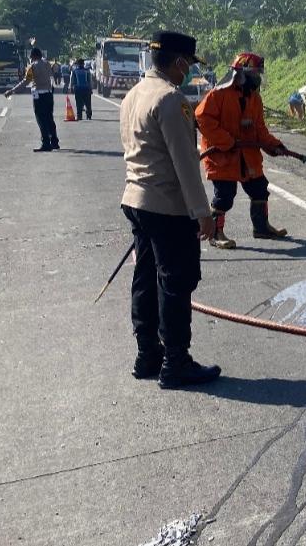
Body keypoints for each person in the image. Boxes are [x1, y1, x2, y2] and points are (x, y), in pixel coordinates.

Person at [120, 31, 220, 389]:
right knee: (175, 283)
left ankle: (147, 353)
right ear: (178, 62)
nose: (188, 71)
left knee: (146, 278)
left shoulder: (133, 94)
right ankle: (176, 362)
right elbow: (185, 163)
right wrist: (202, 212)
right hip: (167, 207)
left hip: (136, 201)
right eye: (188, 64)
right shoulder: (171, 99)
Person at [194, 52, 291, 249]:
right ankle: (216, 233)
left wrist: (275, 145)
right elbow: (202, 119)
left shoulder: (255, 98)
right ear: (241, 74)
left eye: (259, 74)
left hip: (247, 156)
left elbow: (260, 130)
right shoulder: (218, 95)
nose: (258, 78)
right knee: (224, 196)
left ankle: (261, 228)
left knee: (259, 188)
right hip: (222, 156)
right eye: (255, 74)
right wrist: (227, 141)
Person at [4, 47, 59, 152]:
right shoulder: (47, 64)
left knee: (41, 119)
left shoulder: (32, 66)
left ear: (33, 56)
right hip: (48, 94)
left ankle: (46, 143)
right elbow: (54, 72)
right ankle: (54, 141)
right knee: (49, 118)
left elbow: (25, 81)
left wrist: (12, 90)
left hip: (38, 95)